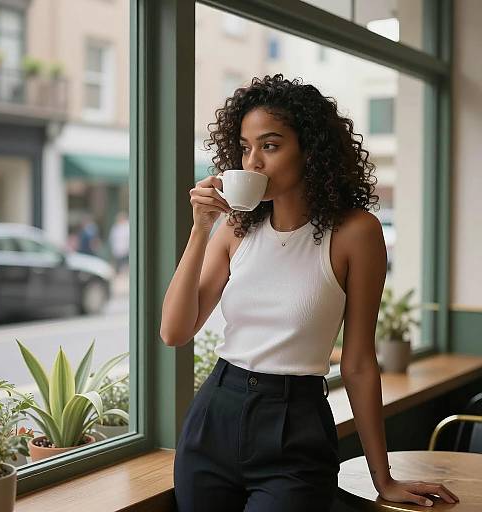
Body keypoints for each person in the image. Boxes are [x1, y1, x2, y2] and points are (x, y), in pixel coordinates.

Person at [159, 74, 459, 511]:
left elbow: (357, 363)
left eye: (271, 145)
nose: (254, 162)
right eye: (245, 147)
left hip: (294, 430)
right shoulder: (234, 230)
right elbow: (174, 331)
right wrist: (200, 230)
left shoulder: (356, 233)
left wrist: (384, 479)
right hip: (214, 421)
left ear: (310, 149)